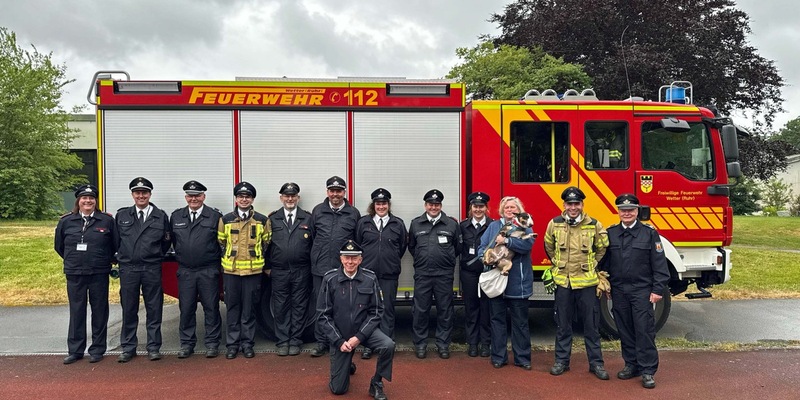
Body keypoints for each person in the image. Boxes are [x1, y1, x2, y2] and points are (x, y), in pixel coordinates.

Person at [599, 193, 670, 389]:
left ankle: (647, 370)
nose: (627, 213)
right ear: (618, 211)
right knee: (625, 329)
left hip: (642, 290)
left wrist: (657, 290)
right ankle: (631, 365)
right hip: (619, 290)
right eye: (623, 210)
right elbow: (603, 263)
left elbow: (659, 265)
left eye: (631, 209)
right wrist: (604, 284)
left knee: (644, 330)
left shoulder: (649, 234)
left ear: (637, 211)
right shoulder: (611, 233)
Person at [543, 186, 610, 379]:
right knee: (563, 325)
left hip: (587, 283)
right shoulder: (554, 224)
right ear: (564, 205)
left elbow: (602, 248)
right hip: (564, 282)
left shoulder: (594, 225)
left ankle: (596, 364)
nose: (573, 207)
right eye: (569, 204)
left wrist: (593, 264)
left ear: (582, 205)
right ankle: (561, 361)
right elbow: (548, 245)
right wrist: (557, 263)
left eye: (577, 204)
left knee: (591, 326)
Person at [317, 240, 394, 400]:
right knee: (338, 390)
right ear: (341, 259)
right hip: (340, 336)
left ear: (360, 260)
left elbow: (377, 311)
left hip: (364, 332)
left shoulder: (370, 278)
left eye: (354, 258)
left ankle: (377, 383)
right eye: (347, 257)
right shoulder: (330, 279)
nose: (350, 262)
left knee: (388, 345)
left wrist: (359, 337)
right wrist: (338, 341)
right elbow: (323, 315)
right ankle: (347, 364)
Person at [55, 184, 118, 364]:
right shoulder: (66, 221)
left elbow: (114, 245)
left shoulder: (106, 221)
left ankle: (97, 349)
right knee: (77, 311)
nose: (88, 201)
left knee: (99, 311)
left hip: (98, 272)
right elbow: (59, 246)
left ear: (95, 201)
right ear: (78, 201)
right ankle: (75, 350)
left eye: (91, 198)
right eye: (84, 198)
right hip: (75, 273)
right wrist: (73, 259)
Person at [115, 177, 172, 363]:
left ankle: (153, 347)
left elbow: (166, 242)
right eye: (137, 192)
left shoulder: (160, 215)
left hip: (151, 267)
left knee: (154, 309)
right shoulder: (122, 216)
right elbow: (115, 241)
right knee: (129, 309)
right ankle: (128, 347)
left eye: (144, 192)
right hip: (129, 268)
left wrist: (153, 255)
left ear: (150, 194)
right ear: (132, 194)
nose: (141, 196)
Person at [477, 196, 535, 370]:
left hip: (519, 282)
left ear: (519, 210)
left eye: (513, 207)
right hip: (497, 281)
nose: (510, 210)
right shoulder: (494, 226)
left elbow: (527, 246)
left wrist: (507, 241)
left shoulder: (525, 226)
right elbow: (482, 246)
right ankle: (498, 356)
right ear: (502, 211)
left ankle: (522, 358)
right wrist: (485, 258)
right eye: (506, 207)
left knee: (520, 322)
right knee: (497, 320)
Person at [217, 181, 272, 359]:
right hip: (231, 272)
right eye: (241, 196)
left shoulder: (263, 220)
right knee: (233, 308)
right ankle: (232, 345)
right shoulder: (225, 220)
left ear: (252, 199)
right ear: (236, 199)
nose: (244, 199)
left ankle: (248, 344)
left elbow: (267, 244)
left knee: (249, 310)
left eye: (247, 196)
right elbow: (221, 243)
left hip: (253, 273)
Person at [170, 180, 223, 359]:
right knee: (186, 308)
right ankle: (186, 344)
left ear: (203, 197)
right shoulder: (176, 217)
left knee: (211, 308)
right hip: (186, 270)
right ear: (186, 197)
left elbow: (221, 242)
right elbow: (173, 242)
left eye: (197, 195)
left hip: (208, 270)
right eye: (190, 196)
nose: (194, 199)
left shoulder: (215, 217)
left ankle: (212, 343)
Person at [309, 176, 361, 357]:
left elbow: (358, 241)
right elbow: (312, 236)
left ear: (344, 192)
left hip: (343, 269)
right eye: (332, 190)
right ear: (327, 192)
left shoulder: (353, 213)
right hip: (320, 268)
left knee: (342, 306)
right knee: (321, 306)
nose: (335, 194)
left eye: (339, 191)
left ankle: (340, 340)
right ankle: (321, 342)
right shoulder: (317, 211)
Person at [408, 189, 461, 359]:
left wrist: (446, 259)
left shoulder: (451, 224)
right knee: (420, 310)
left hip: (444, 274)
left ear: (441, 206)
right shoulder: (416, 224)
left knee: (445, 310)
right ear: (425, 205)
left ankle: (443, 344)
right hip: (423, 273)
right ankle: (420, 344)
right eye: (430, 204)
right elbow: (411, 246)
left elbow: (457, 248)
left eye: (437, 204)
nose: (433, 207)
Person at [355, 188, 407, 359]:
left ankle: (386, 345)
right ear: (373, 205)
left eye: (384, 203)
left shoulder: (397, 223)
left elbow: (402, 246)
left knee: (387, 310)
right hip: (367, 275)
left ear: (388, 205)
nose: (381, 206)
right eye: (378, 203)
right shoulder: (364, 223)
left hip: (389, 274)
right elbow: (358, 245)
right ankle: (368, 345)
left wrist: (389, 260)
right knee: (367, 310)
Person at [266, 182, 314, 356]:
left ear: (298, 198)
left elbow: (314, 245)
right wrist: (267, 267)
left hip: (302, 270)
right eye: (286, 196)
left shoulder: (308, 218)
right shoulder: (272, 219)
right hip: (279, 271)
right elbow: (265, 245)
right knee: (280, 307)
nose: (290, 199)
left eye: (293, 196)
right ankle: (283, 341)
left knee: (300, 306)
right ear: (281, 198)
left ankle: (295, 341)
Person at [458, 191, 493, 358]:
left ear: (486, 208)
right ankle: (472, 343)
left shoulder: (493, 225)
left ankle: (486, 343)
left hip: (488, 273)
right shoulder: (462, 226)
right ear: (470, 208)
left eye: (481, 206)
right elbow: (458, 249)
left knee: (487, 308)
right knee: (471, 308)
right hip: (469, 273)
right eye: (475, 206)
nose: (478, 209)